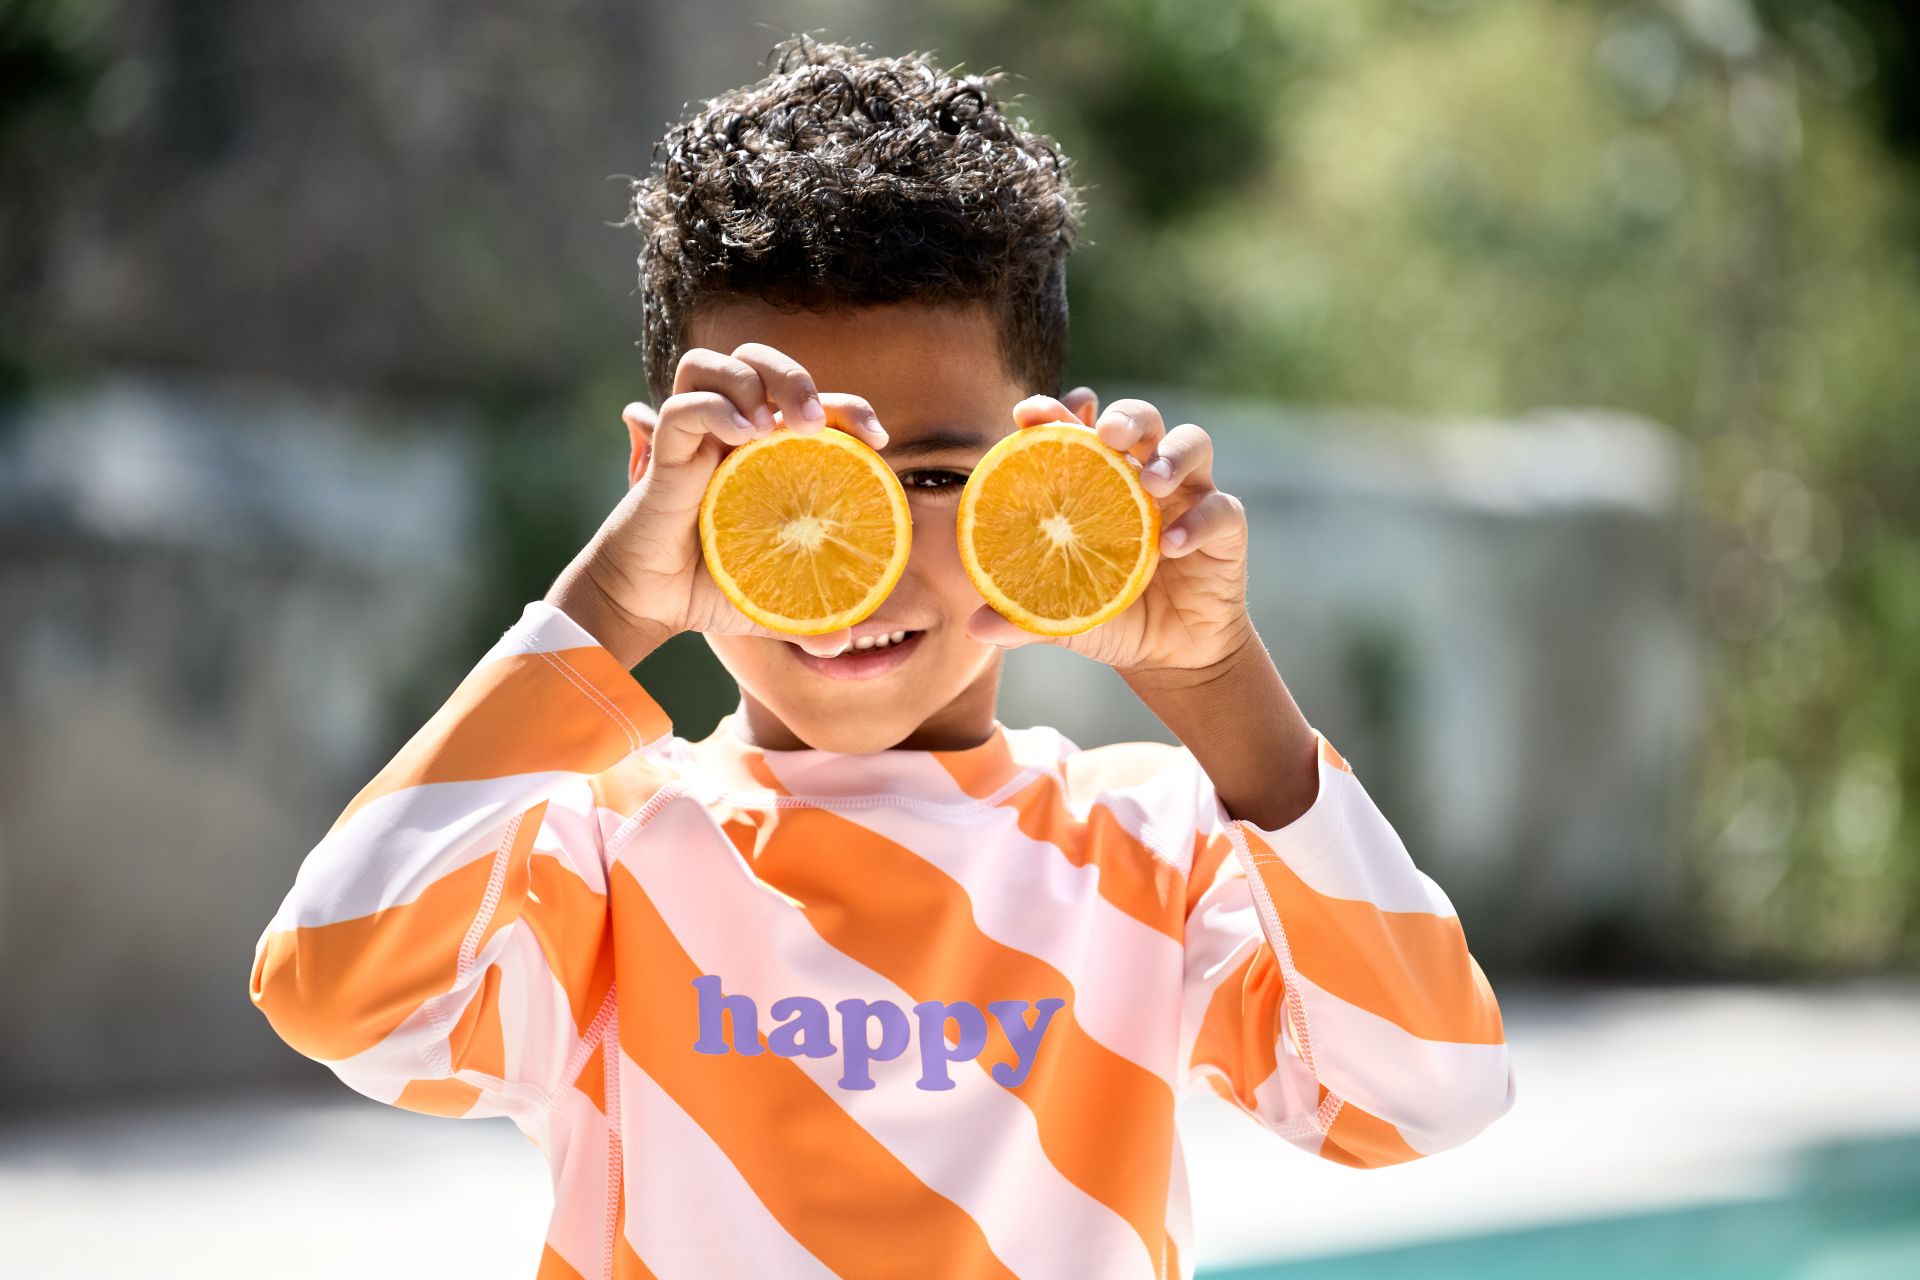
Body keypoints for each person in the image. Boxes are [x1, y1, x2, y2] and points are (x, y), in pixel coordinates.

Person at [249, 35, 1514, 1280]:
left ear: (1050, 471)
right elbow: (332, 987)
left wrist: (1217, 679)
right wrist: (607, 608)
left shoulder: (1150, 847)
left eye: (937, 476)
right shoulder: (600, 856)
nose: (864, 554)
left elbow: (1426, 1091)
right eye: (782, 477)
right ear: (659, 479)